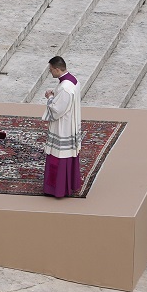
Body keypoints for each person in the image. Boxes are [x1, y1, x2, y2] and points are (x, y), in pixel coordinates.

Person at [42, 56, 83, 199]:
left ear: (57, 69)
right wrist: (55, 95)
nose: (50, 72)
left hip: (63, 126)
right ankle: (70, 184)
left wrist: (49, 97)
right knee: (67, 155)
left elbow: (57, 109)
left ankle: (57, 189)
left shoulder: (65, 88)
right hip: (70, 121)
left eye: (51, 70)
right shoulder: (73, 80)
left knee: (58, 156)